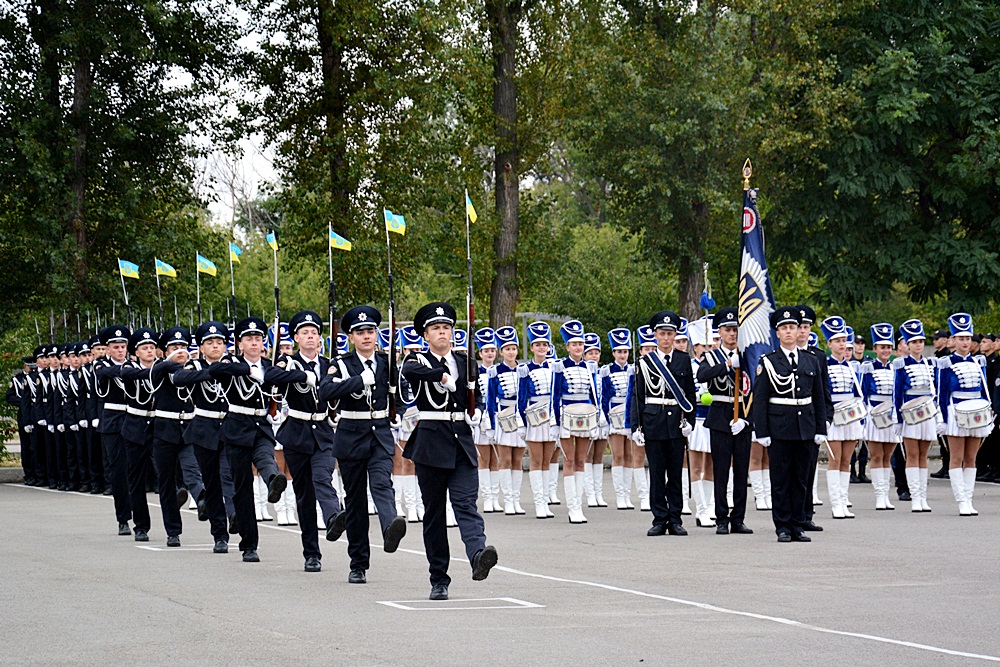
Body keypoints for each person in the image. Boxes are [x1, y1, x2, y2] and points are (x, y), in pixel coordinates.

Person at [401, 302, 497, 601]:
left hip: (461, 441)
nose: (443, 332)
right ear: (426, 335)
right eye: (436, 329)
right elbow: (409, 370)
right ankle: (438, 578)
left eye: (446, 328)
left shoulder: (465, 361)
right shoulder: (419, 360)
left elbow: (476, 393)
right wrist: (441, 376)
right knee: (433, 515)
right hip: (430, 443)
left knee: (466, 504)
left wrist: (479, 410)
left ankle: (478, 554)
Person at [317, 306, 407, 582]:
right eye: (360, 332)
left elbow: (401, 395)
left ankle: (390, 525)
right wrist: (357, 381)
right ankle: (358, 563)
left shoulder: (387, 363)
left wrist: (399, 415)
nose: (367, 336)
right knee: (355, 502)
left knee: (381, 481)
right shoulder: (342, 364)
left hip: (379, 432)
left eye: (370, 331)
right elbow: (325, 391)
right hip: (351, 434)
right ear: (351, 337)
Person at [262, 310, 344, 572]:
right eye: (305, 333)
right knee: (304, 495)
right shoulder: (289, 363)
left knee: (323, 476)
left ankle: (333, 516)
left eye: (314, 333)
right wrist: (301, 376)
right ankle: (311, 553)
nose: (311, 337)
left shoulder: (330, 364)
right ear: (296, 337)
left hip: (323, 430)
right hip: (296, 432)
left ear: (320, 338)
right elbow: (271, 377)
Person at [209, 317, 289, 562]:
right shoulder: (231, 363)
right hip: (236, 427)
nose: (254, 343)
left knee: (266, 457)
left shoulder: (269, 365)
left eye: (258, 339)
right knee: (242, 488)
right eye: (249, 339)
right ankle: (249, 544)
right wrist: (247, 370)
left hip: (262, 425)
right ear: (240, 344)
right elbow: (215, 371)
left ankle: (273, 481)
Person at [752, 308, 827, 543]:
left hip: (805, 426)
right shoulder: (769, 362)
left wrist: (820, 428)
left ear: (798, 331)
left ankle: (798, 524)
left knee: (801, 478)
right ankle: (783, 525)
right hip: (780, 427)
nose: (789, 331)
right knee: (781, 479)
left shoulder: (811, 360)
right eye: (784, 328)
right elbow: (761, 399)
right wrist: (761, 431)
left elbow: (819, 396)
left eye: (792, 327)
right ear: (778, 333)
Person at [626, 310, 696, 537]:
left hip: (676, 422)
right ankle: (659, 518)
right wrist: (635, 426)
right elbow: (638, 396)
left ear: (675, 335)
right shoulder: (645, 362)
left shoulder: (684, 359)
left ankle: (675, 518)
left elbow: (689, 394)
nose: (666, 338)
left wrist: (690, 421)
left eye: (670, 334)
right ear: (655, 335)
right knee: (656, 473)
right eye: (662, 333)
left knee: (675, 473)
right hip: (654, 421)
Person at [172, 321, 232, 554]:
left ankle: (235, 515)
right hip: (204, 429)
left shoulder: (231, 364)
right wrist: (209, 372)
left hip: (229, 427)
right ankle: (219, 534)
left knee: (229, 477)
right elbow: (179, 379)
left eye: (219, 342)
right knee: (212, 483)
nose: (215, 346)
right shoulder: (194, 366)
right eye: (210, 343)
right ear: (202, 346)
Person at [697, 307, 753, 535]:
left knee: (741, 470)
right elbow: (702, 376)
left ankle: (738, 518)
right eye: (728, 330)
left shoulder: (749, 355)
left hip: (743, 413)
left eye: (736, 330)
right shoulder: (710, 356)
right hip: (720, 414)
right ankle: (721, 517)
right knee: (721, 469)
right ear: (719, 332)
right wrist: (728, 365)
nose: (733, 334)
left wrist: (748, 419)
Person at [937, 313, 992, 515]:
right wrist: (942, 418)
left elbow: (984, 388)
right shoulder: (945, 363)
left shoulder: (979, 362)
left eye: (968, 338)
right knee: (956, 457)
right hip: (956, 412)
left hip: (976, 411)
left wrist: (988, 411)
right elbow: (942, 394)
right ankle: (961, 500)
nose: (965, 342)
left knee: (971, 458)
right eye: (961, 338)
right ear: (953, 340)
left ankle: (969, 499)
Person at [551, 320, 602, 524]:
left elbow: (594, 394)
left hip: (586, 415)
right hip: (566, 416)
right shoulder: (559, 366)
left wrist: (597, 419)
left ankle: (579, 506)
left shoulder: (590, 367)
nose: (578, 348)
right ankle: (572, 507)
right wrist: (555, 423)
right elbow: (555, 396)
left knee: (582, 459)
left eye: (580, 344)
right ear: (567, 347)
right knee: (569, 459)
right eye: (574, 344)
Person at [892, 319, 939, 513]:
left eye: (921, 341)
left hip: (927, 412)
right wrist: (898, 419)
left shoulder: (931, 363)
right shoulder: (901, 364)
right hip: (910, 412)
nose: (918, 345)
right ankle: (914, 497)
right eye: (914, 342)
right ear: (908, 345)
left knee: (923, 454)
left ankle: (922, 496)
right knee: (911, 454)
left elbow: (935, 390)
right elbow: (897, 393)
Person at [819, 316, 864, 519]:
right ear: (829, 344)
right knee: (835, 459)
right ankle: (835, 503)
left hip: (850, 416)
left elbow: (856, 393)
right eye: (837, 341)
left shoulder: (851, 367)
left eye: (844, 340)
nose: (841, 344)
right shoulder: (824, 365)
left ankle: (844, 501)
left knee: (847, 459)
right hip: (833, 416)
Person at [517, 321, 557, 519]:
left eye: (545, 344)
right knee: (536, 459)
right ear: (532, 347)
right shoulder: (524, 369)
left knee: (547, 460)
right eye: (538, 344)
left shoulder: (555, 368)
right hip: (533, 416)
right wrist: (522, 423)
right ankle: (538, 503)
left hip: (549, 417)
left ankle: (546, 500)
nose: (542, 348)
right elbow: (521, 398)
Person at [486, 326, 526, 515]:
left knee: (518, 460)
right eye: (507, 349)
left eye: (514, 348)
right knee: (506, 460)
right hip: (503, 418)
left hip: (520, 418)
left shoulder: (524, 370)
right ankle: (507, 500)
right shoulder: (494, 371)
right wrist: (491, 426)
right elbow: (490, 400)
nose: (511, 352)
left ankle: (516, 499)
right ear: (501, 351)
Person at [859, 323, 899, 510]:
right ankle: (879, 496)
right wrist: (865, 417)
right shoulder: (868, 368)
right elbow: (864, 394)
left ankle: (886, 494)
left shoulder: (895, 368)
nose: (886, 350)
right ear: (875, 349)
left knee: (887, 456)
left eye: (889, 347)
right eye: (882, 347)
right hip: (874, 415)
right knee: (876, 455)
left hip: (890, 415)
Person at [601, 328, 635, 510]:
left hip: (629, 414)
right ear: (613, 352)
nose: (623, 355)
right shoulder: (606, 371)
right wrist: (605, 419)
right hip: (614, 414)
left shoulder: (633, 369)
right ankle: (619, 495)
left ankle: (627, 495)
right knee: (618, 454)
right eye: (619, 351)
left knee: (629, 454)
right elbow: (604, 396)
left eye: (625, 351)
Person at [472, 328, 502, 512]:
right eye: (486, 351)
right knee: (484, 458)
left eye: (492, 350)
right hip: (482, 417)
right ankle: (487, 498)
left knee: (496, 458)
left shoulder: (500, 371)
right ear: (480, 353)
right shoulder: (475, 371)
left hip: (498, 416)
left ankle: (495, 497)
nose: (489, 353)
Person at [583, 332, 609, 508]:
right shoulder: (582, 373)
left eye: (596, 352)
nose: (594, 356)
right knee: (587, 455)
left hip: (602, 418)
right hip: (587, 416)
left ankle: (598, 493)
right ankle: (589, 493)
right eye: (590, 353)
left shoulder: (602, 373)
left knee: (599, 455)